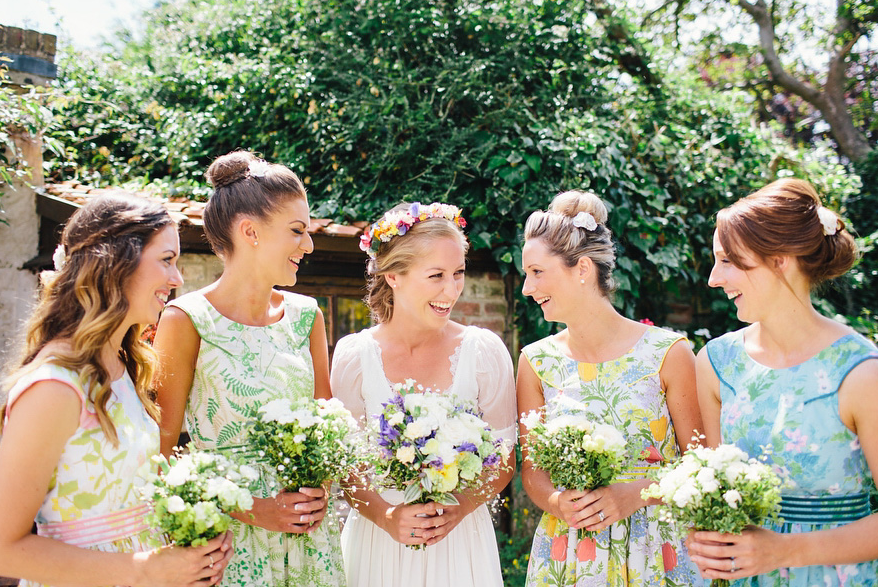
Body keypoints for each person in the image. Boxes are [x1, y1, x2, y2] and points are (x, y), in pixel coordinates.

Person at [0, 192, 233, 587]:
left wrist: (189, 551)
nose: (177, 278)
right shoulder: (55, 386)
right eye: (166, 260)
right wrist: (146, 570)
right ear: (116, 263)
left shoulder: (123, 367)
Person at [687, 178, 878, 585]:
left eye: (729, 260)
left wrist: (785, 551)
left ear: (779, 260)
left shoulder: (861, 373)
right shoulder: (716, 364)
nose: (713, 279)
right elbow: (717, 490)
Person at [152, 151, 344, 587]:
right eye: (297, 231)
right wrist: (256, 509)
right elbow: (162, 455)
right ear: (250, 231)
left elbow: (327, 427)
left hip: (310, 542)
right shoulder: (186, 319)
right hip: (229, 543)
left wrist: (321, 492)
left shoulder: (306, 316)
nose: (309, 245)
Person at [517, 190, 704, 586]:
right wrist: (556, 502)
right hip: (569, 556)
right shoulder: (535, 362)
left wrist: (639, 492)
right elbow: (532, 473)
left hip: (657, 552)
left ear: (582, 268)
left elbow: (701, 464)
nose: (526, 289)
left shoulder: (668, 353)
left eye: (536, 272)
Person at [330, 202, 517, 587]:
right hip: (378, 543)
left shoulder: (483, 351)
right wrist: (386, 515)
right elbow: (345, 465)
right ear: (394, 276)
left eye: (458, 273)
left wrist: (459, 508)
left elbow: (506, 455)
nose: (451, 290)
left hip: (460, 543)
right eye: (436, 275)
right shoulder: (354, 357)